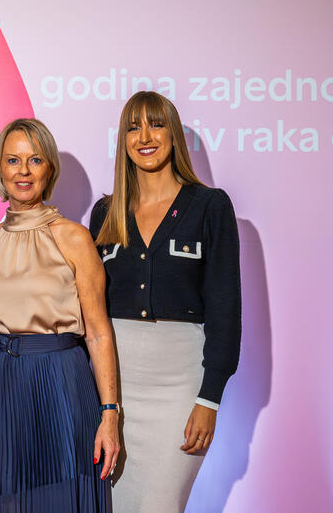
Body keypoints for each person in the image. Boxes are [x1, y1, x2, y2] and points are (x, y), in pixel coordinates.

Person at [0, 119, 119, 512]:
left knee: (60, 500)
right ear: (0, 168)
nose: (23, 171)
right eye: (13, 160)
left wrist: (110, 415)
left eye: (35, 160)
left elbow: (98, 334)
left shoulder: (74, 237)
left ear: (49, 169)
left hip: (60, 382)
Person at [89, 91, 241, 513]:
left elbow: (225, 310)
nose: (145, 137)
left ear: (173, 135)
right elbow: (91, 311)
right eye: (133, 128)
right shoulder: (105, 213)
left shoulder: (210, 206)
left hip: (179, 388)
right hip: (114, 391)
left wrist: (209, 399)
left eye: (155, 124)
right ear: (122, 141)